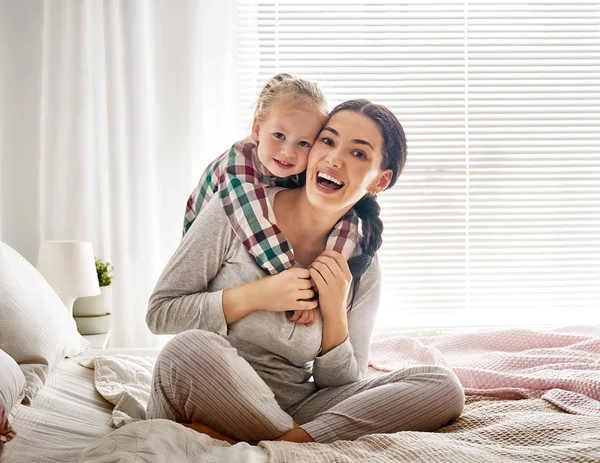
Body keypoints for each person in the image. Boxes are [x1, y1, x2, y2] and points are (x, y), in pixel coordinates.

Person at [146, 99, 465, 445]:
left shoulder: (360, 263)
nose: (334, 158)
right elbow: (160, 314)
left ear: (380, 181)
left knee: (442, 384)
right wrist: (255, 296)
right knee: (191, 346)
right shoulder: (236, 211)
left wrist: (334, 312)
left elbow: (343, 384)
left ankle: (287, 441)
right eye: (327, 141)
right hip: (206, 388)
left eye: (358, 154)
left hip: (297, 406)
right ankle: (295, 440)